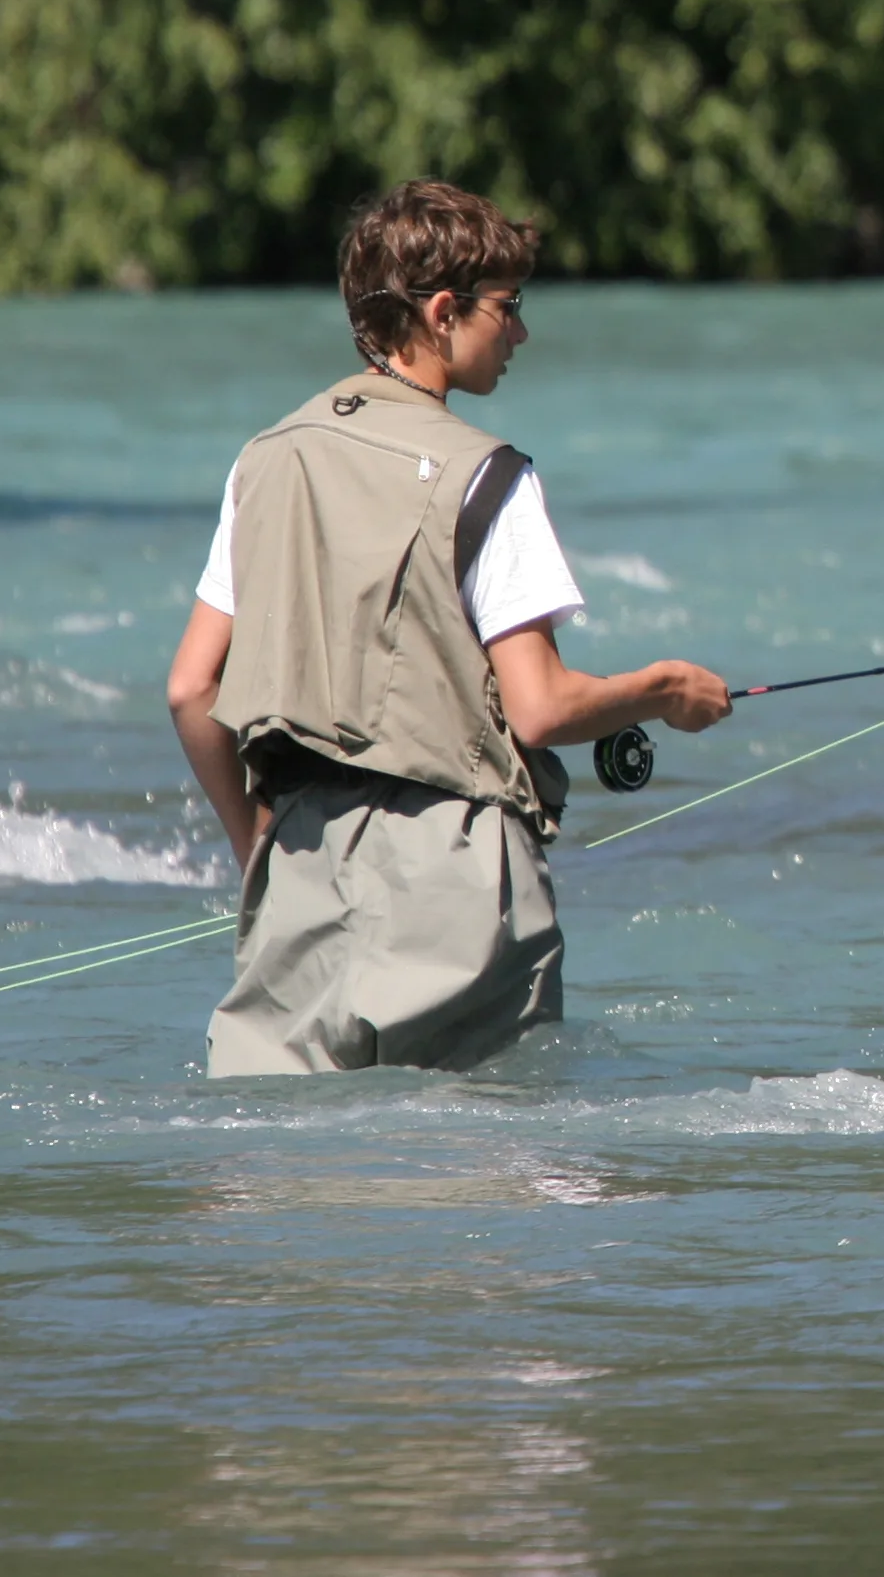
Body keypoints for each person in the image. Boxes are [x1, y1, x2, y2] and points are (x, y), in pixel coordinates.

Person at [164, 180, 731, 1076]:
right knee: (483, 1186)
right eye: (507, 308)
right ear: (440, 312)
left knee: (289, 1191)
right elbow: (539, 710)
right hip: (461, 877)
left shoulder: (262, 460)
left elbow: (191, 689)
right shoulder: (489, 476)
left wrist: (256, 848)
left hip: (300, 871)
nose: (520, 333)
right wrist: (666, 691)